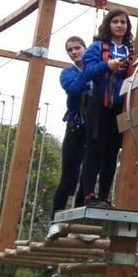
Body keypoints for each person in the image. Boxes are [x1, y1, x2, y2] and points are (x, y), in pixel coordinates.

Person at [79, 9, 134, 205]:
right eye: (115, 21)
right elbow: (87, 74)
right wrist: (106, 66)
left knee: (112, 152)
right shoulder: (96, 47)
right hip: (99, 104)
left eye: (123, 22)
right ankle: (88, 195)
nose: (120, 25)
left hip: (119, 107)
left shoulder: (131, 51)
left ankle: (104, 196)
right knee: (94, 149)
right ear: (108, 25)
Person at [51, 36, 89, 214]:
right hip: (76, 126)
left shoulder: (95, 68)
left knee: (88, 176)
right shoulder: (67, 73)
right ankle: (55, 217)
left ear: (85, 48)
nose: (74, 52)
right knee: (69, 175)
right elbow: (74, 89)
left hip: (94, 127)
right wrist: (89, 72)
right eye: (70, 50)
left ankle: (80, 214)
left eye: (77, 48)